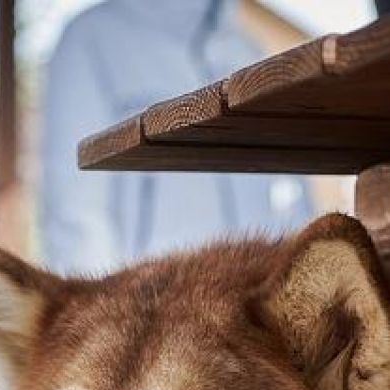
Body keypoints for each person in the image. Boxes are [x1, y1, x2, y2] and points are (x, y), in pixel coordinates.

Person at [41, 0, 313, 275]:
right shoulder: (91, 38)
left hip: (253, 296)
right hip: (153, 304)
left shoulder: (247, 49)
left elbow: (288, 186)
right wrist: (98, 308)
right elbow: (75, 211)